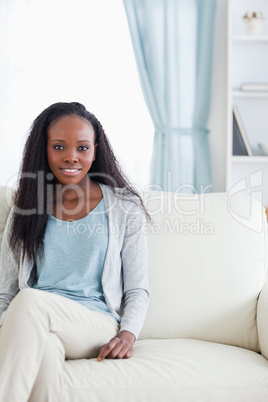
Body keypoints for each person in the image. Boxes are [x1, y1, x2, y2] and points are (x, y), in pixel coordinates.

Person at [0, 102, 150, 402]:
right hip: (35, 321)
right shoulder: (26, 207)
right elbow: (6, 291)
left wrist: (127, 334)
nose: (71, 157)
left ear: (96, 150)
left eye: (82, 148)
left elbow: (137, 289)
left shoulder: (124, 207)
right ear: (44, 150)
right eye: (59, 146)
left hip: (93, 323)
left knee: (30, 301)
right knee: (44, 354)